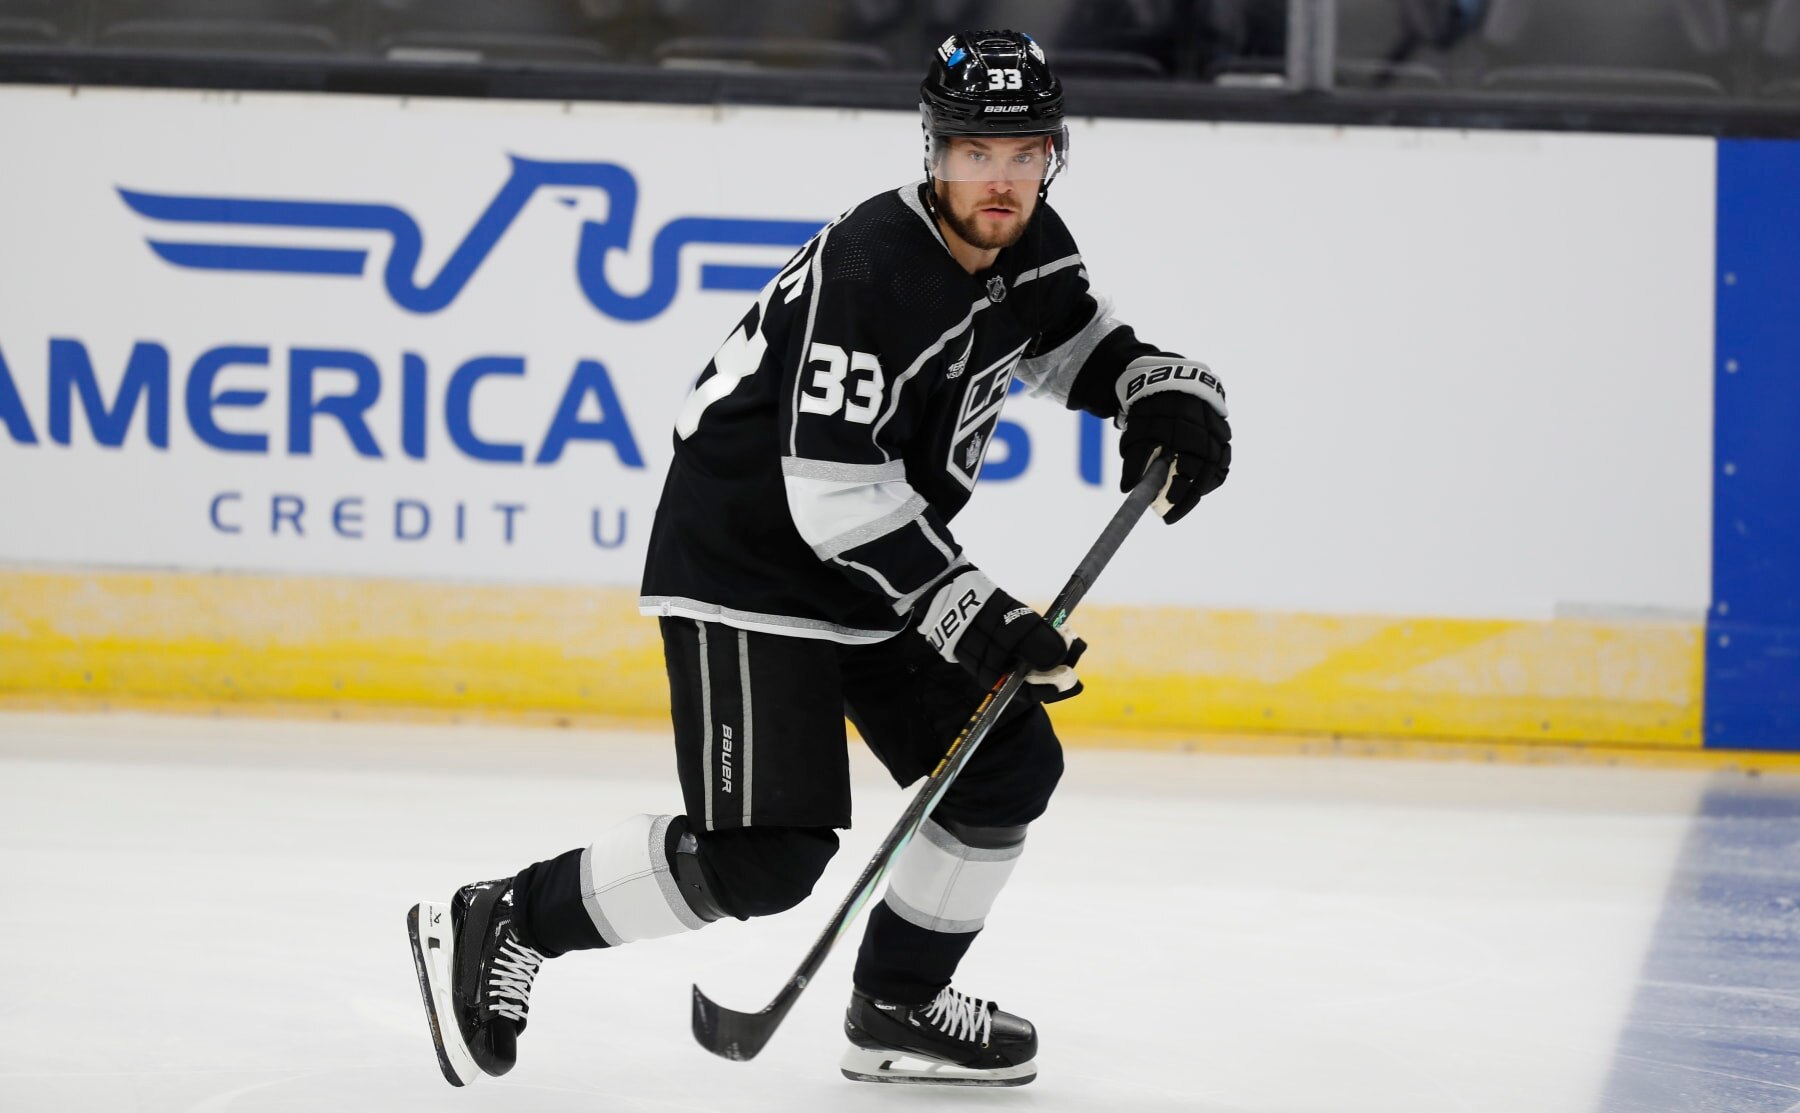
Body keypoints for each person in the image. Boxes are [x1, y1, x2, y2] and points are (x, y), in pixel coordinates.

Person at [407, 28, 1231, 1089]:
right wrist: (976, 615)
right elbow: (833, 494)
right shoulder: (874, 267)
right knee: (767, 856)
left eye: (1025, 153)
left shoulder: (1031, 245)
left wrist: (1150, 386)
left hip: (868, 560)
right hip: (752, 563)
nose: (1003, 179)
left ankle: (897, 1005)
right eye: (979, 153)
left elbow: (1064, 339)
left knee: (1005, 764)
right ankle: (507, 917)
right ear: (933, 151)